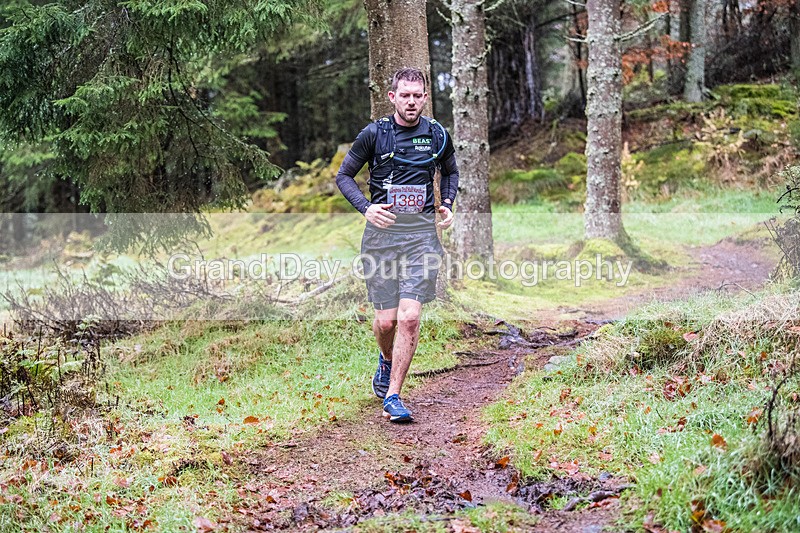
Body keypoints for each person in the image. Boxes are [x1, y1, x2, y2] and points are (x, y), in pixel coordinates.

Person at [335, 67, 459, 423]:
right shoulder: (375, 134)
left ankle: (393, 395)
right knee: (386, 323)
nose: (411, 102)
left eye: (417, 96)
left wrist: (447, 203)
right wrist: (366, 208)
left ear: (425, 98)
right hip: (381, 240)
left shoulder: (436, 134)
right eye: (405, 95)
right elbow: (344, 176)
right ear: (392, 97)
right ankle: (386, 360)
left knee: (410, 317)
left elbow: (451, 171)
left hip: (421, 237)